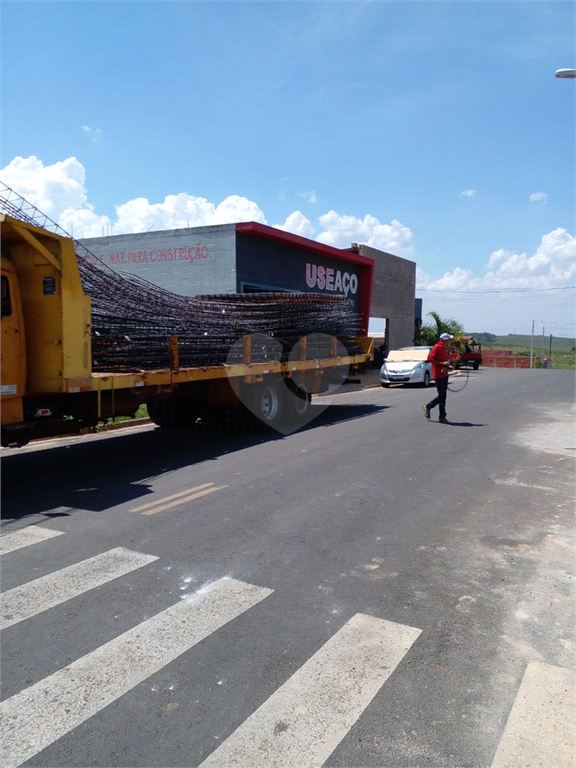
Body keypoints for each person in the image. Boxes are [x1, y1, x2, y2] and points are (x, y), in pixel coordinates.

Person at [424, 333, 453, 423]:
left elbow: (445, 359)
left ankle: (442, 416)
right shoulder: (437, 347)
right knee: (442, 396)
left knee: (443, 396)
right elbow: (430, 358)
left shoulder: (444, 348)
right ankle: (429, 406)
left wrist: (449, 361)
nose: (449, 341)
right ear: (444, 340)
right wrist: (442, 363)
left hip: (444, 374)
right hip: (438, 374)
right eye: (448, 340)